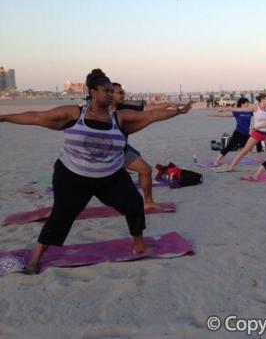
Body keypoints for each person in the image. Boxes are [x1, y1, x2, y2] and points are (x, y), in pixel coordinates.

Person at [0, 69, 193, 274]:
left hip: (110, 175)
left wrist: (178, 111)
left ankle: (139, 245)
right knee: (61, 215)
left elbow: (152, 115)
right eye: (106, 91)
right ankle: (36, 258)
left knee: (134, 203)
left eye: (112, 91)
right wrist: (4, 118)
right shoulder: (74, 113)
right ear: (92, 91)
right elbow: (37, 116)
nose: (110, 94)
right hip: (72, 175)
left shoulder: (120, 118)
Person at [111, 82, 179, 210]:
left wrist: (169, 105)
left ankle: (146, 200)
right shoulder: (99, 110)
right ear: (110, 93)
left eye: (123, 92)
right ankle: (145, 201)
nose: (123, 95)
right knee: (145, 169)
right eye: (119, 93)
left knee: (139, 159)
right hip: (111, 151)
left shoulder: (124, 106)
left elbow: (149, 109)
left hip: (121, 147)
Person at [225, 93, 266, 171]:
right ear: (262, 100)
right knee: (245, 151)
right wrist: (229, 109)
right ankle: (231, 166)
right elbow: (242, 109)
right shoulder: (255, 108)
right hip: (257, 134)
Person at [209, 97, 263, 166]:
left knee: (258, 142)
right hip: (238, 133)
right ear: (242, 103)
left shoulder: (250, 112)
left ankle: (260, 160)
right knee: (229, 147)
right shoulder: (237, 112)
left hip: (246, 134)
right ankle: (216, 161)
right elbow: (223, 115)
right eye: (247, 103)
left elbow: (258, 112)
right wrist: (213, 114)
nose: (248, 104)